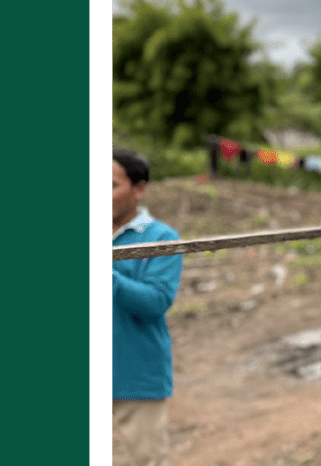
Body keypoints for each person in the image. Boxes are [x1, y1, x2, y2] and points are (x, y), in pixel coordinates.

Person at [112, 147, 183, 466]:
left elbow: (156, 302)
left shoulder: (160, 238)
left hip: (135, 373)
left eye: (110, 185)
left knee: (147, 460)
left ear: (139, 189)